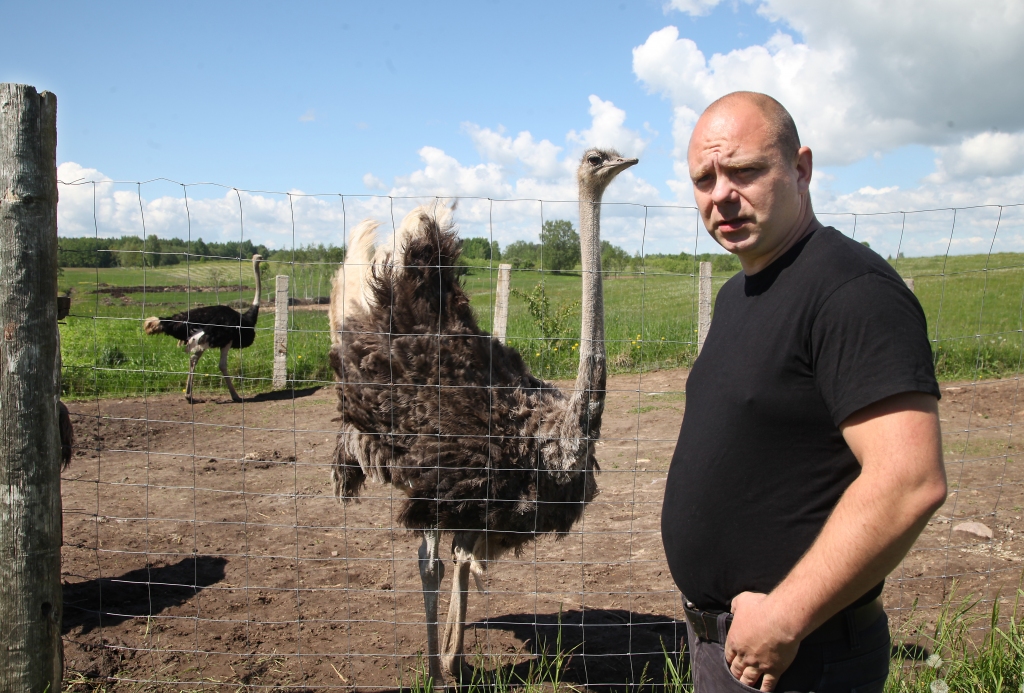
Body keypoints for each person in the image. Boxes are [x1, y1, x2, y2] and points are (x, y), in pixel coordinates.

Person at [660, 91, 947, 693]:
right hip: (733, 648)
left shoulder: (852, 291)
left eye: (743, 171)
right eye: (703, 178)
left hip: (799, 658)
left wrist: (785, 615)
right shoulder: (739, 294)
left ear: (801, 169)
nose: (721, 195)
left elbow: (909, 480)